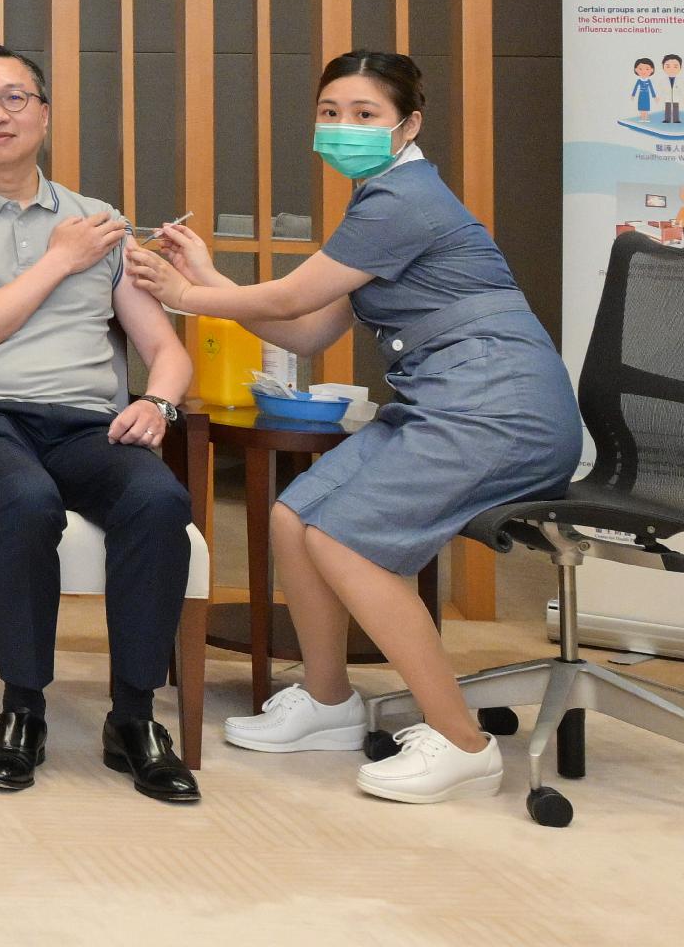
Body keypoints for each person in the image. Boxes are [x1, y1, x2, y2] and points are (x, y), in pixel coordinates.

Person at [130, 50, 582, 807]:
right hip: (445, 405)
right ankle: (330, 702)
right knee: (294, 516)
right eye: (331, 112)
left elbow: (293, 295)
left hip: (497, 412)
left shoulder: (401, 200)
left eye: (365, 115)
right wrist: (205, 276)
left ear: (409, 124)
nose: (343, 127)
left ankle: (463, 743)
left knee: (346, 542)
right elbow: (307, 328)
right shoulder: (380, 201)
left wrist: (189, 294)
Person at [0, 44, 201, 803]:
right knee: (25, 501)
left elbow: (166, 350)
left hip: (86, 424)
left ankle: (133, 717)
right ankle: (21, 709)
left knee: (160, 501)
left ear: (46, 113)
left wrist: (156, 402)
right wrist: (59, 261)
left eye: (15, 98)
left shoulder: (99, 224)